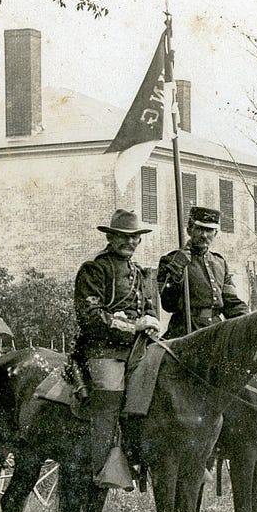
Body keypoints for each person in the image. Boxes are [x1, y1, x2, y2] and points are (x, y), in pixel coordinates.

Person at [75, 209, 162, 489]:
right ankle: (102, 468)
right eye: (123, 237)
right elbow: (90, 317)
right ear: (110, 237)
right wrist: (132, 327)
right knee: (110, 400)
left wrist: (151, 324)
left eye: (135, 237)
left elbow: (148, 309)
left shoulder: (140, 273)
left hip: (139, 349)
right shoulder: (94, 269)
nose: (130, 242)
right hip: (104, 350)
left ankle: (151, 457)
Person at [158, 206, 247, 337]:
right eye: (199, 229)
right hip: (186, 331)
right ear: (189, 230)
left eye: (209, 230)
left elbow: (231, 303)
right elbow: (168, 304)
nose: (204, 235)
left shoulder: (220, 263)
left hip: (216, 331)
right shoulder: (171, 260)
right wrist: (176, 267)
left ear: (215, 233)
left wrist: (251, 317)